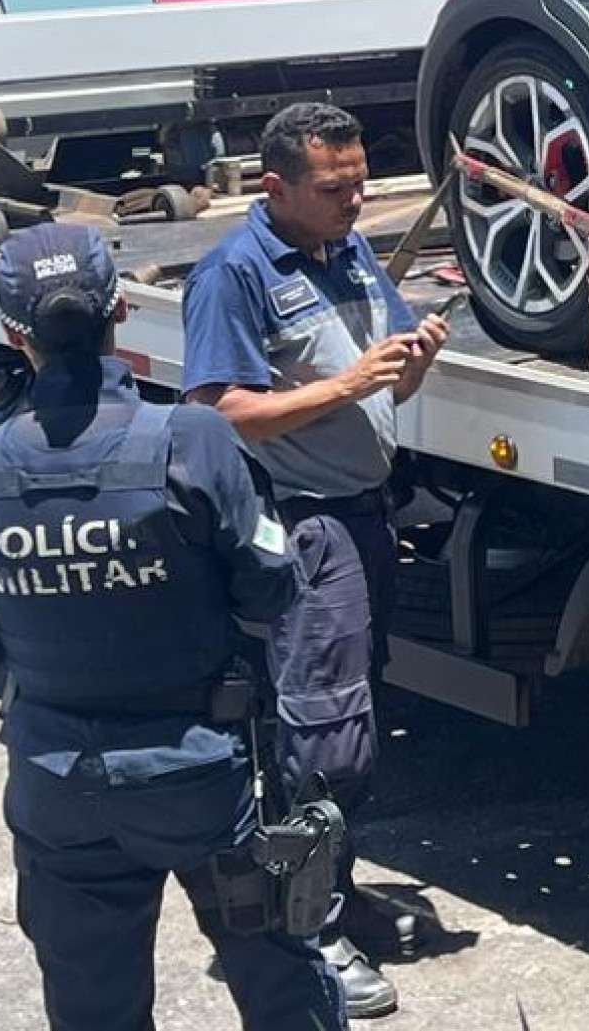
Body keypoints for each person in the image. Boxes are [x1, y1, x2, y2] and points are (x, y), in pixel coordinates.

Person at [0, 223, 342, 1030]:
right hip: (198, 776)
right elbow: (270, 589)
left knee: (93, 1008)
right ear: (120, 309)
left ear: (13, 334)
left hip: (56, 784)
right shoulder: (195, 442)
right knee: (281, 981)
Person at [182, 101, 450, 1019]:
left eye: (361, 181)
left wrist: (412, 361)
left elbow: (385, 372)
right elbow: (218, 410)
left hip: (363, 513)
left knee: (349, 730)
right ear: (276, 187)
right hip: (304, 522)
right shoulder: (237, 272)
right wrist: (348, 382)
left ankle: (328, 894)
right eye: (335, 188)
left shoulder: (347, 248)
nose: (357, 199)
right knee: (320, 737)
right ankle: (305, 934)